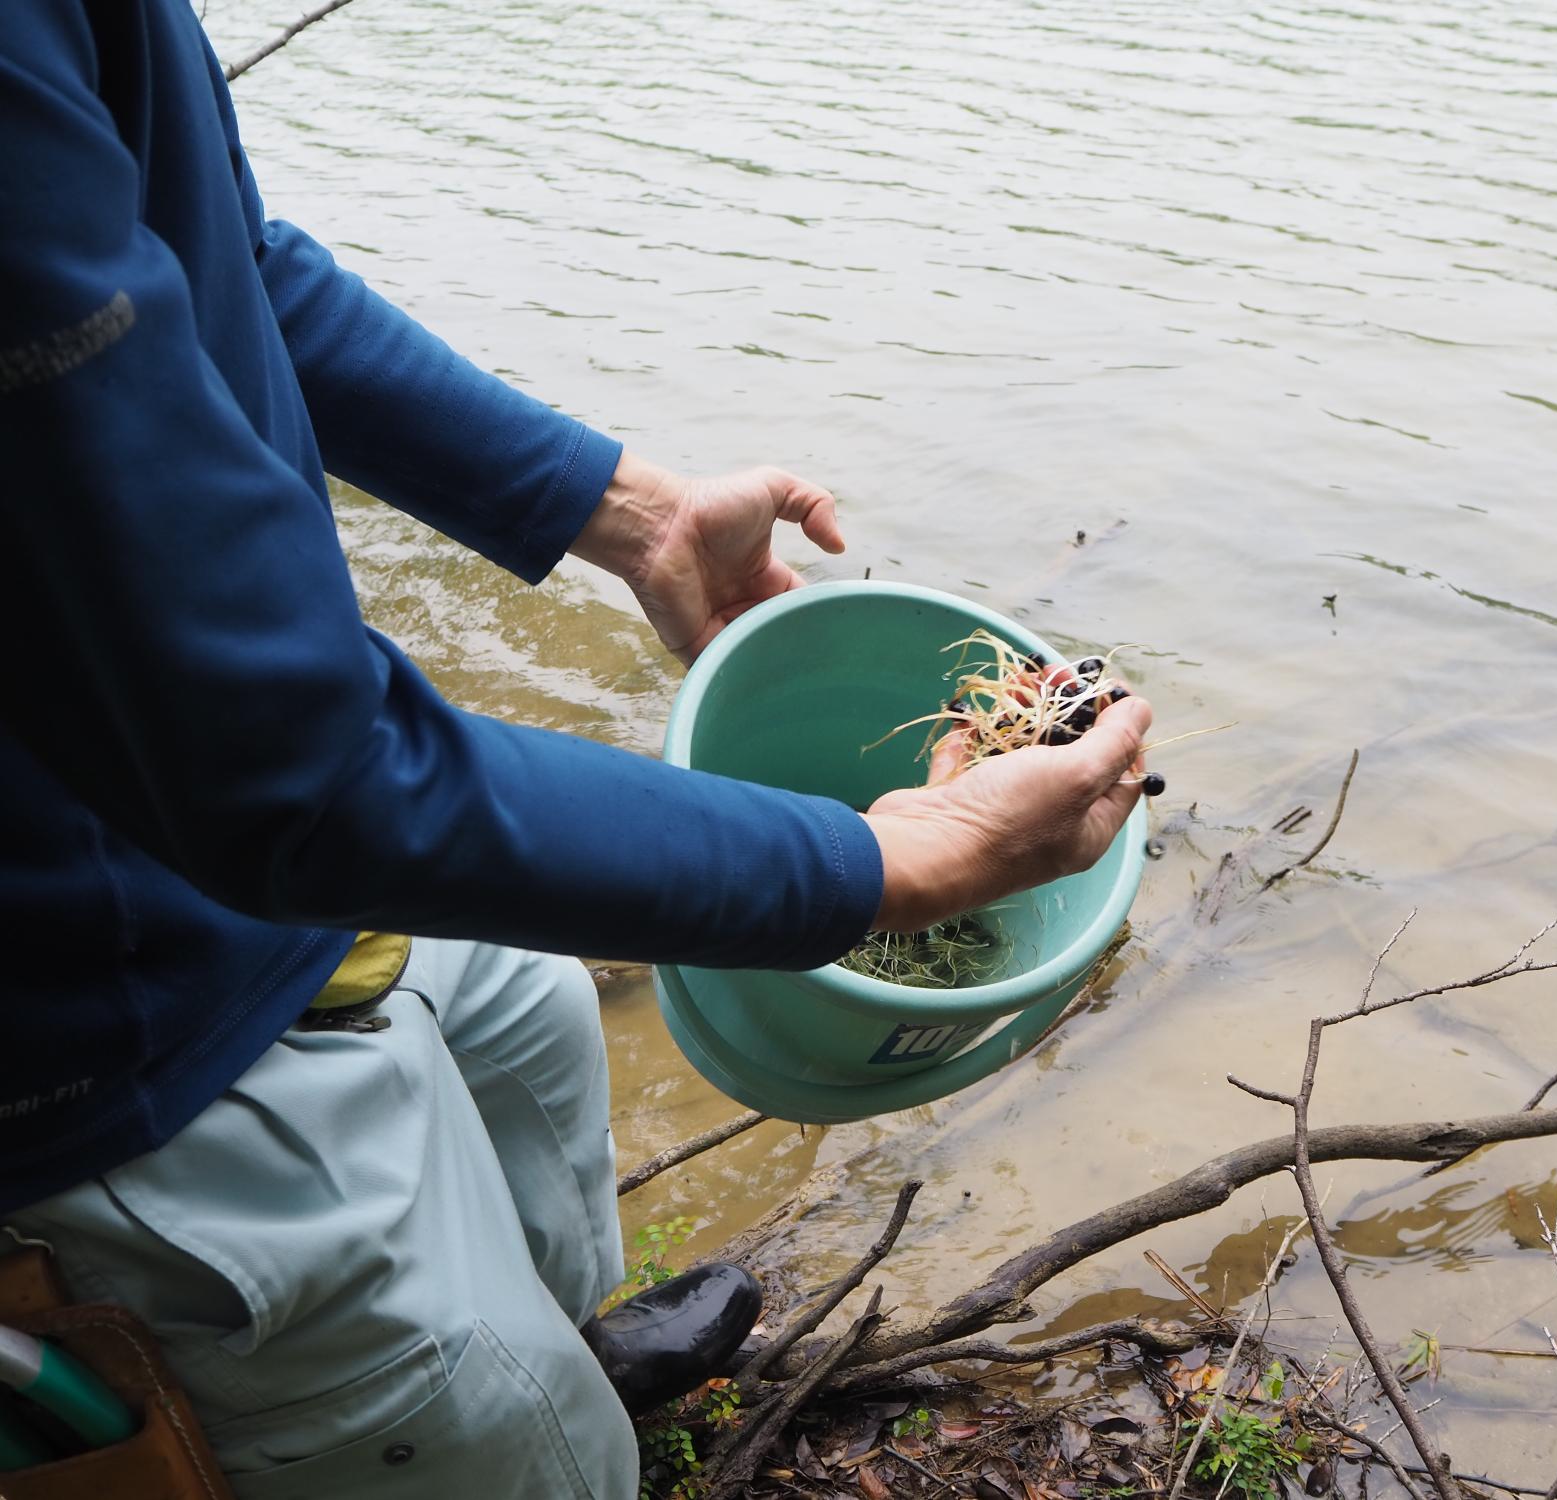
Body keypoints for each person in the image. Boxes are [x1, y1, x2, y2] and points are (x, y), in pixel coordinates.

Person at [0, 4, 1153, 1497]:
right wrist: (903, 857)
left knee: (527, 1016)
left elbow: (225, 267)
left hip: (255, 846)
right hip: (106, 1023)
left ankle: (550, 1360)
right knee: (515, 1462)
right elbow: (298, 779)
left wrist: (624, 508)